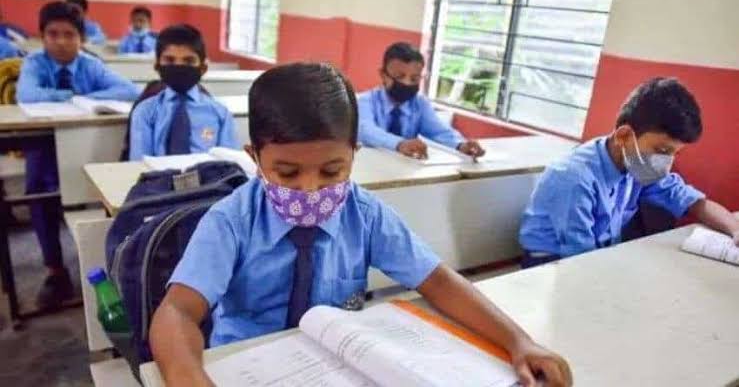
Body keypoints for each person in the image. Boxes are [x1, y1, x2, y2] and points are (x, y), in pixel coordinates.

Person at [150, 62, 572, 387]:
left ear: (354, 153)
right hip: (245, 366)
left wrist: (518, 341)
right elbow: (178, 311)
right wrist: (189, 378)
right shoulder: (231, 221)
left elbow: (438, 281)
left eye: (332, 171)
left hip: (338, 365)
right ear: (255, 157)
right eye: (288, 173)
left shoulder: (364, 213)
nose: (311, 189)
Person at [518, 77, 739, 267]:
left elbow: (694, 202)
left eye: (675, 154)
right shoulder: (574, 178)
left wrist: (735, 229)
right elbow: (579, 259)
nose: (667, 163)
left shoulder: (638, 167)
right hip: (550, 263)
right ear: (623, 136)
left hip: (597, 256)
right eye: (662, 150)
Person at [15, 1, 139, 308]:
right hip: (43, 144)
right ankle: (55, 269)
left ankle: (103, 261)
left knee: (96, 195)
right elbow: (27, 95)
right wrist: (73, 96)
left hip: (84, 146)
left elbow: (129, 90)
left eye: (69, 34)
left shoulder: (90, 64)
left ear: (81, 38)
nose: (61, 41)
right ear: (42, 36)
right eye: (53, 34)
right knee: (39, 196)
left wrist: (82, 98)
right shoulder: (34, 63)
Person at [128, 24, 238, 160]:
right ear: (157, 66)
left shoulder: (221, 114)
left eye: (189, 61)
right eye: (169, 60)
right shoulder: (145, 112)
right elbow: (139, 164)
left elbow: (229, 165)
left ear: (203, 68)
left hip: (209, 174)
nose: (179, 66)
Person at [358, 42, 484, 159]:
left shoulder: (419, 104)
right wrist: (400, 144)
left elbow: (439, 131)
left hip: (404, 167)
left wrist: (461, 145)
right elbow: (365, 131)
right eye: (399, 77)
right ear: (383, 75)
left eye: (414, 79)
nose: (407, 83)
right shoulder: (365, 101)